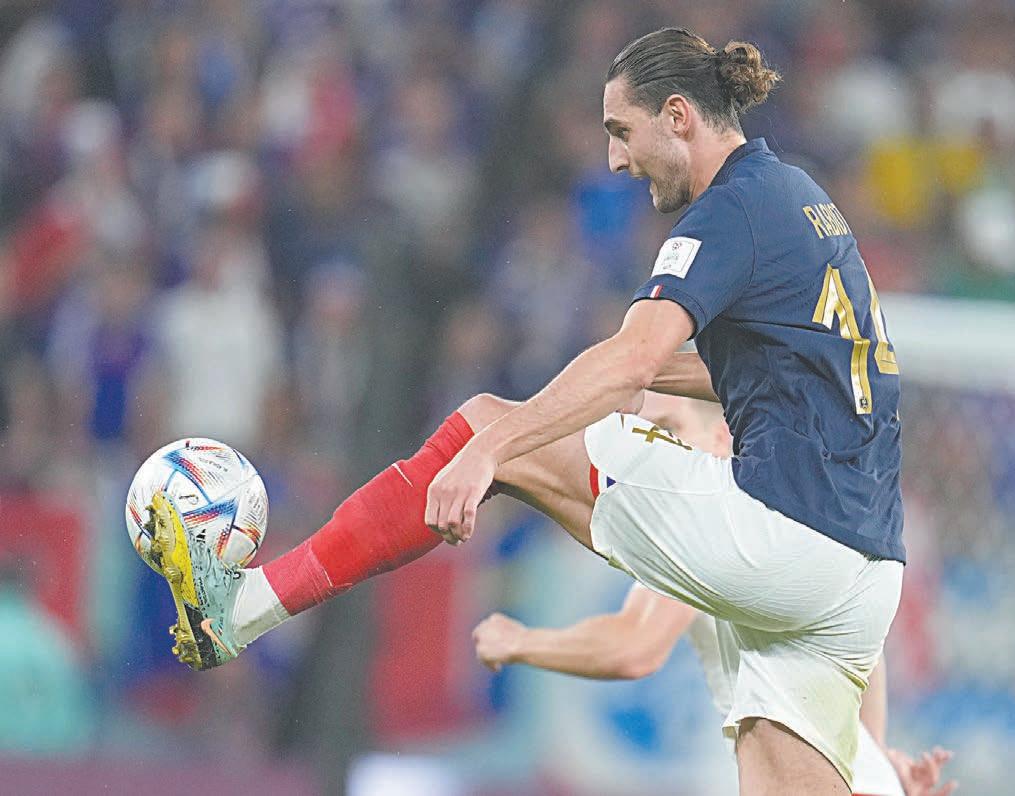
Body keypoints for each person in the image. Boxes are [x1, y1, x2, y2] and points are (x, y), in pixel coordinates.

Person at [143, 27, 905, 794]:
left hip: (783, 531)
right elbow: (782, 369)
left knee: (484, 422)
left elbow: (632, 355)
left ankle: (244, 607)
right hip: (866, 569)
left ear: (678, 116)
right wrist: (651, 384)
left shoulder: (731, 210)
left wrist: (491, 450)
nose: (616, 159)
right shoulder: (801, 198)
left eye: (621, 131)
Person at [470, 394, 953, 796]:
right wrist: (873, 757)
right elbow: (867, 655)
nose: (652, 447)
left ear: (723, 437)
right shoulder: (800, 516)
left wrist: (520, 642)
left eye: (668, 431)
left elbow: (633, 646)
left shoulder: (713, 539)